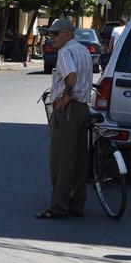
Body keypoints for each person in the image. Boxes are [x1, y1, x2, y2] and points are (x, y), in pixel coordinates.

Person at [36, 18, 93, 220]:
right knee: (78, 159)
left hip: (68, 110)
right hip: (83, 109)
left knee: (61, 160)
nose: (51, 38)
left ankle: (59, 206)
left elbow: (71, 77)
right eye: (50, 34)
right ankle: (76, 204)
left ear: (68, 34)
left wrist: (66, 96)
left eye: (55, 33)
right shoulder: (84, 50)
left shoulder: (66, 51)